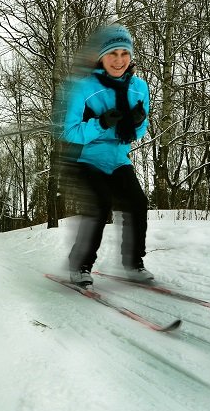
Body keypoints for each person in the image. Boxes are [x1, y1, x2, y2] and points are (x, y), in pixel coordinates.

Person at [60, 23, 152, 286]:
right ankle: (80, 265)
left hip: (118, 159)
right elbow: (71, 132)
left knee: (137, 203)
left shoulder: (140, 87)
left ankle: (133, 263)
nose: (119, 60)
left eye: (125, 53)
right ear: (101, 56)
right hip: (87, 158)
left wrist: (136, 122)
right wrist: (100, 123)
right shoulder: (84, 88)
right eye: (113, 54)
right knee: (101, 206)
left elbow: (141, 130)